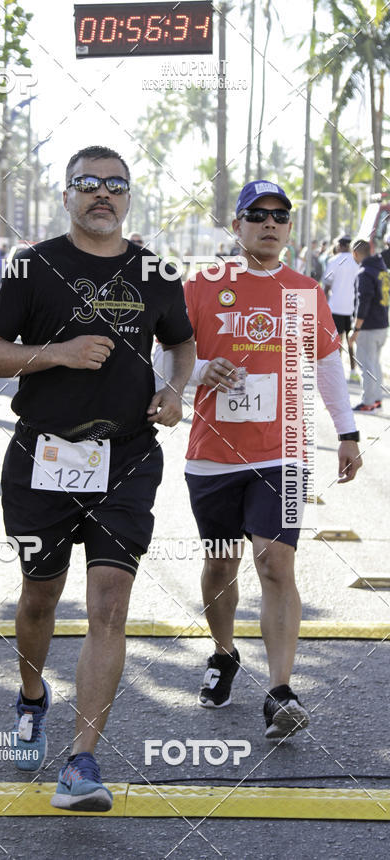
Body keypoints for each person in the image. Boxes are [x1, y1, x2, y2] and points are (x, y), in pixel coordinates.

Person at [0, 145, 195, 812]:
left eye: (115, 186)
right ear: (68, 194)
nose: (103, 195)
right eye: (89, 184)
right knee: (40, 598)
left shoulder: (156, 269)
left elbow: (181, 341)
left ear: (129, 196)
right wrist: (59, 353)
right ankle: (32, 696)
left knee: (109, 606)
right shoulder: (33, 265)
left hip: (126, 458)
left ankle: (82, 762)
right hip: (43, 457)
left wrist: (176, 388)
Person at [182, 180, 361, 739]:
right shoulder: (202, 286)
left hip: (280, 453)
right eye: (256, 215)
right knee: (221, 562)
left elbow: (329, 364)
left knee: (275, 564)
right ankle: (224, 652)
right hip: (212, 454)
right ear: (236, 226)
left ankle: (281, 691)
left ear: (289, 228)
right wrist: (196, 373)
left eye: (280, 216)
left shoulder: (305, 292)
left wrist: (348, 431)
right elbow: (162, 354)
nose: (270, 223)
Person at [349, 239, 390, 412]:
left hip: (368, 326)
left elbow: (363, 301)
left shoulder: (364, 273)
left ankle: (368, 402)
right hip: (382, 324)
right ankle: (377, 400)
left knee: (367, 364)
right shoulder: (382, 270)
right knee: (375, 364)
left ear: (355, 254)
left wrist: (356, 329)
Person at [323, 235, 360, 384]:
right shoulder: (356, 261)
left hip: (336, 307)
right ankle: (353, 371)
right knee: (351, 341)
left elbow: (327, 285)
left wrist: (323, 304)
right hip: (352, 307)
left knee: (337, 341)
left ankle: (337, 374)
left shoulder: (333, 261)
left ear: (339, 246)